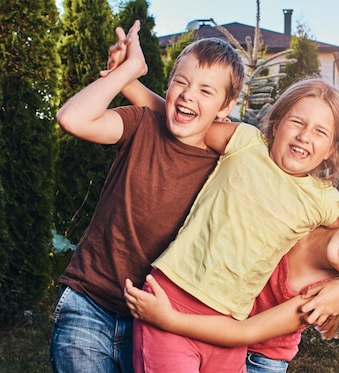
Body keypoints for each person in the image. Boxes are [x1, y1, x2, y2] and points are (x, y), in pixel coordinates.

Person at [111, 39, 339, 370]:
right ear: (277, 122)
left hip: (228, 324)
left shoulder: (324, 200)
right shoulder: (244, 142)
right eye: (297, 122)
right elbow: (187, 120)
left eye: (319, 132)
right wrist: (127, 80)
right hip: (173, 294)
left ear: (331, 150)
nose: (304, 136)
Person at [49, 20, 246, 373]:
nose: (187, 95)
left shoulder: (227, 163)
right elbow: (72, 118)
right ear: (168, 86)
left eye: (206, 90)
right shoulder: (141, 124)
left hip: (156, 324)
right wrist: (127, 73)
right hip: (88, 302)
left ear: (226, 106)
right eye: (180, 83)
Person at [125, 196, 339, 372]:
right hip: (222, 326)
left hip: (258, 357)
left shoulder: (317, 298)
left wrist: (170, 320)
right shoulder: (310, 213)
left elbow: (244, 334)